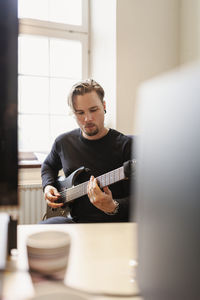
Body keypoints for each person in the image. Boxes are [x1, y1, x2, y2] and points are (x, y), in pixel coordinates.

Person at [41, 79, 133, 224]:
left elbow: (142, 199)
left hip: (115, 223)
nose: (87, 119)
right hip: (76, 222)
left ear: (104, 106)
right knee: (42, 231)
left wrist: (113, 206)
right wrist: (48, 186)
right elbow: (48, 165)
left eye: (93, 110)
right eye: (80, 113)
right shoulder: (63, 142)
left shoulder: (126, 145)